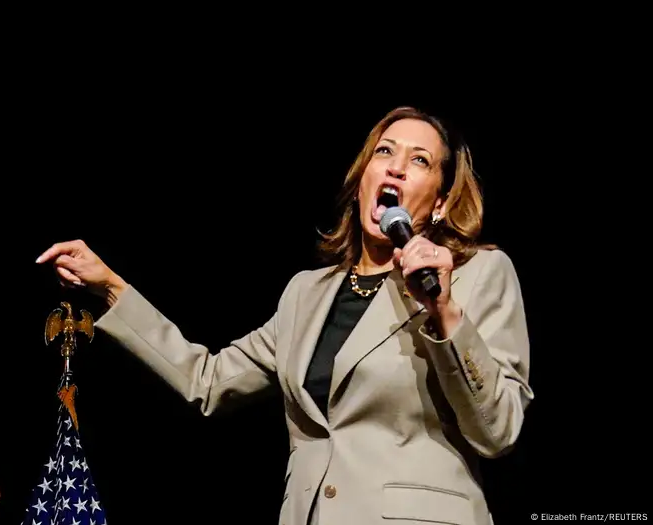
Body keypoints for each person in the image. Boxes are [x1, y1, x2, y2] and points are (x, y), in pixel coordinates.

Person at [36, 106, 532, 525]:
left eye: (419, 160)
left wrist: (441, 308)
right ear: (363, 180)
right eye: (385, 152)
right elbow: (206, 382)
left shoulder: (478, 275)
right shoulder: (305, 295)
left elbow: (498, 430)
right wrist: (111, 288)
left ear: (440, 204)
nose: (396, 167)